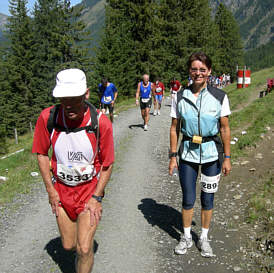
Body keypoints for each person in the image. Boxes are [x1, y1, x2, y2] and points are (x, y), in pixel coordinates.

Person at [32, 68, 114, 273]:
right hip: (62, 192)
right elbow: (41, 153)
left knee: (84, 248)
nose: (68, 104)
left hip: (89, 193)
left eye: (74, 98)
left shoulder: (100, 122)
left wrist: (97, 197)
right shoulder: (47, 118)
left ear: (86, 94)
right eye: (63, 98)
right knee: (69, 246)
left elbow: (108, 163)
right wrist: (51, 190)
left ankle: (84, 253)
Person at [169, 52, 231, 258]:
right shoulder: (179, 96)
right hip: (187, 154)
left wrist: (228, 158)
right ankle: (186, 237)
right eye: (194, 69)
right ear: (189, 71)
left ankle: (203, 238)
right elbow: (174, 128)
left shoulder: (220, 96)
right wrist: (172, 156)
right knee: (188, 198)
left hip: (212, 154)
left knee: (208, 198)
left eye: (202, 69)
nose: (198, 73)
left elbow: (224, 128)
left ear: (209, 72)